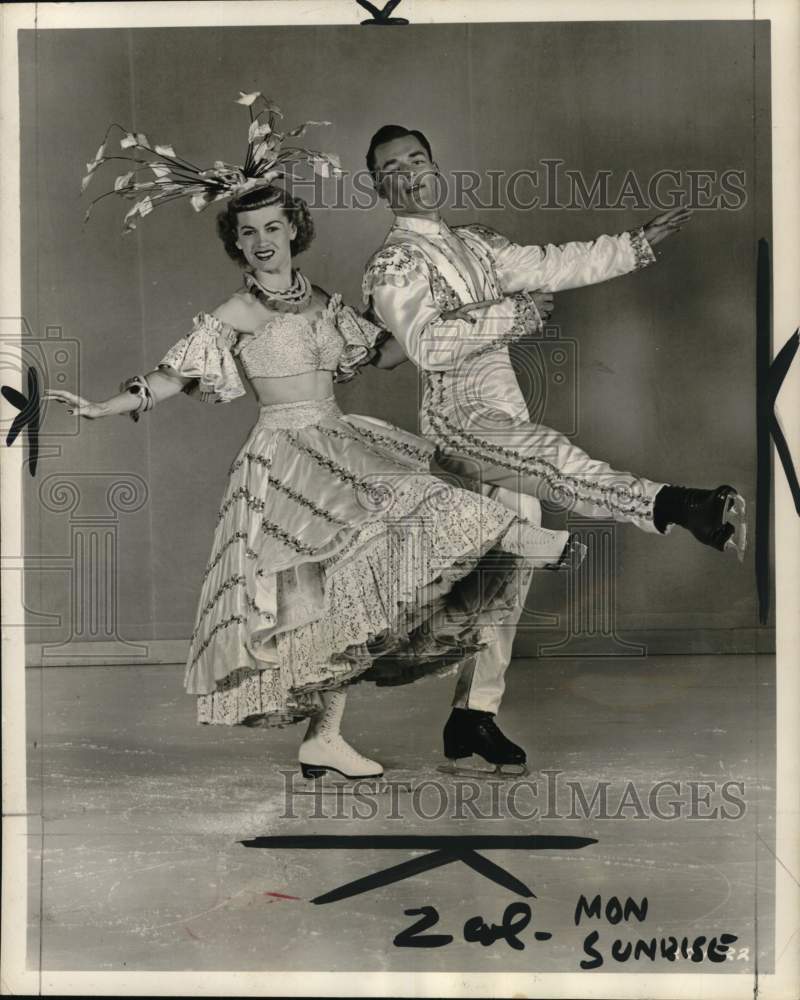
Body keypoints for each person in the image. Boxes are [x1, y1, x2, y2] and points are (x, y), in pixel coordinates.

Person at [47, 98, 579, 782]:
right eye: (248, 233)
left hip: (338, 440)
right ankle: (519, 542)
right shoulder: (236, 310)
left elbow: (386, 351)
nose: (263, 241)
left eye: (273, 227)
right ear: (235, 243)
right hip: (284, 460)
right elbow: (173, 375)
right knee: (309, 598)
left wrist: (465, 313)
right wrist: (99, 407)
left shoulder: (324, 302)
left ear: (293, 230)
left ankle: (327, 735)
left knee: (359, 568)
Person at [360, 123, 747, 776]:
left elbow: (550, 263)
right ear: (378, 186)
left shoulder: (475, 245)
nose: (408, 173)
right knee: (553, 460)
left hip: (501, 409)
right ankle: (682, 506)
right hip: (459, 418)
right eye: (391, 167)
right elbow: (426, 344)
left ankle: (472, 718)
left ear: (434, 167)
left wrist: (632, 247)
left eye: (417, 159)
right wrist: (516, 315)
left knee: (511, 558)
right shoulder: (393, 264)